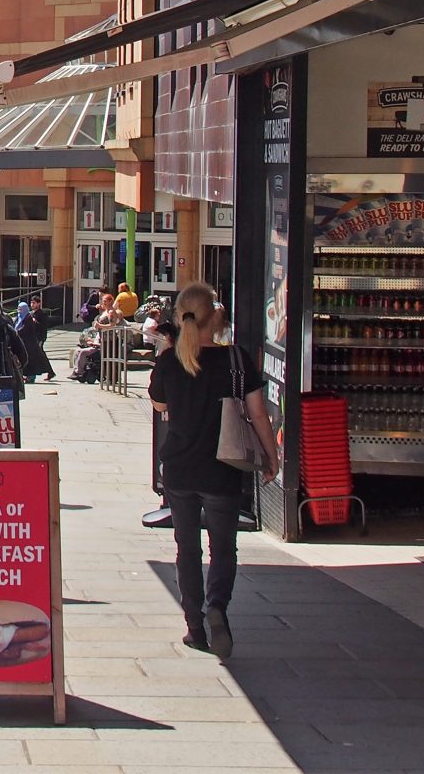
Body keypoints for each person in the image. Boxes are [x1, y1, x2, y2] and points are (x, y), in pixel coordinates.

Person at [148, 283, 280, 660]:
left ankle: (194, 626)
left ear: (180, 316)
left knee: (186, 549)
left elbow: (159, 404)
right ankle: (217, 604)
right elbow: (257, 415)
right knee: (223, 548)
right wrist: (272, 458)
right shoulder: (236, 360)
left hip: (179, 468)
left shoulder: (171, 361)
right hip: (223, 467)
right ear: (216, 317)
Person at [14, 298, 56, 381]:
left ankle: (39, 374)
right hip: (29, 340)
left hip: (37, 338)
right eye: (31, 303)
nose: (32, 305)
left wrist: (35, 321)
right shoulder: (28, 315)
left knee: (38, 356)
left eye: (34, 303)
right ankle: (49, 372)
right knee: (39, 356)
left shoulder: (41, 314)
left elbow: (43, 326)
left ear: (38, 303)